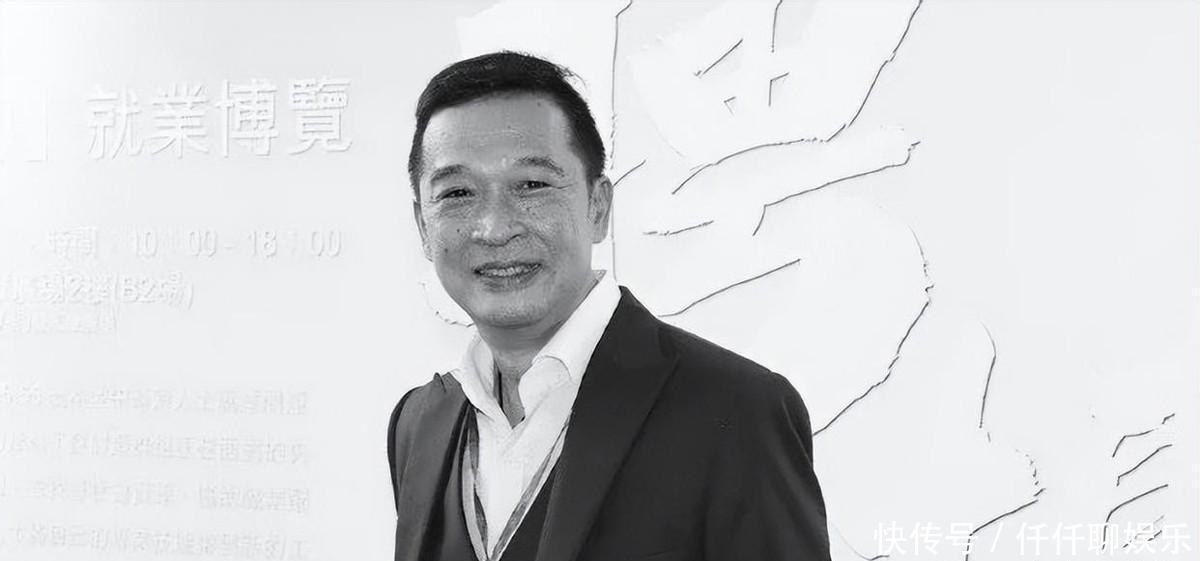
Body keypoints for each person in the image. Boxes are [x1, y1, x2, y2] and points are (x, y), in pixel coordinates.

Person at [388, 51, 831, 561]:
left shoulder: (737, 409)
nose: (495, 227)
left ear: (598, 207)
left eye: (531, 185)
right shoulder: (418, 423)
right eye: (458, 193)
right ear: (423, 227)